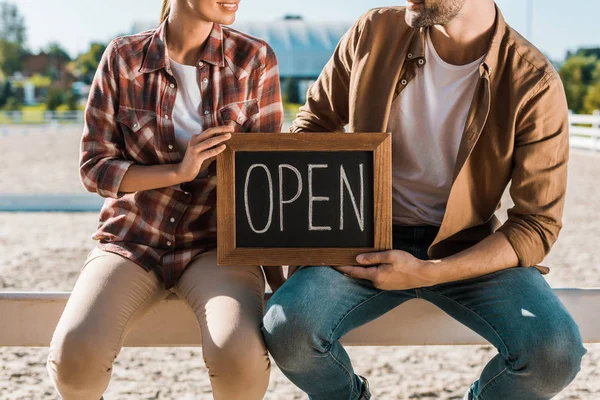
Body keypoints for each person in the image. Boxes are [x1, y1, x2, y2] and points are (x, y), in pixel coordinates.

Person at [262, 1, 586, 399]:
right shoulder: (373, 31)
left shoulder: (534, 82)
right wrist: (321, 230)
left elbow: (536, 225)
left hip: (467, 247)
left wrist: (429, 272)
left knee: (554, 354)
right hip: (362, 239)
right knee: (287, 329)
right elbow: (313, 124)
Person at [46, 1, 284, 399]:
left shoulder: (253, 58)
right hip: (134, 237)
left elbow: (265, 181)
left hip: (217, 246)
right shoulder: (124, 58)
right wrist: (178, 172)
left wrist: (282, 282)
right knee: (75, 356)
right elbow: (94, 167)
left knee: (238, 357)